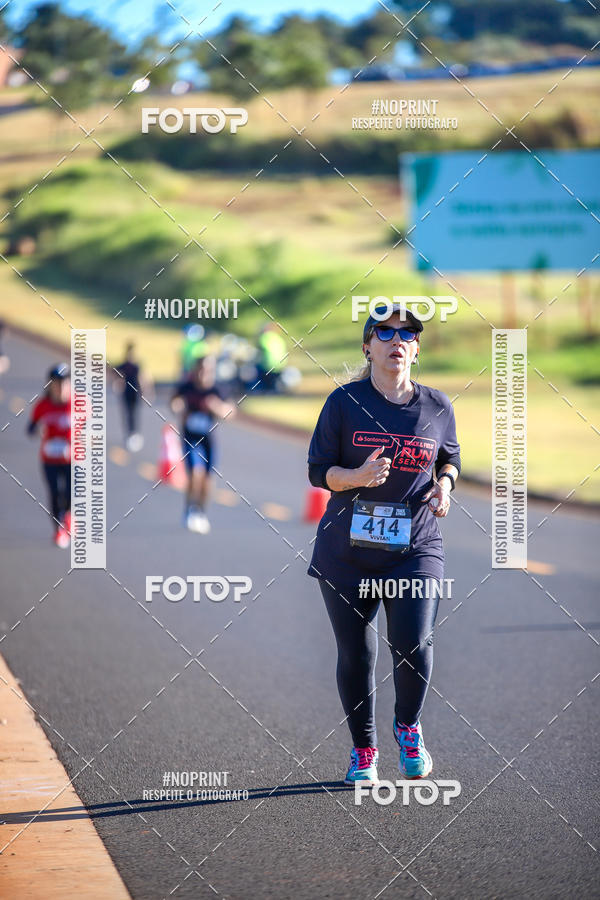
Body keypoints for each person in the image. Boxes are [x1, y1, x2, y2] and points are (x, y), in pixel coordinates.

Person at [307, 304, 460, 786]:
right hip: (346, 555)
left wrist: (446, 486)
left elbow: (450, 458)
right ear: (368, 346)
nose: (397, 340)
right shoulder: (343, 402)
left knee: (414, 643)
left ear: (415, 349)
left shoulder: (437, 406)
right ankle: (364, 751)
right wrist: (357, 477)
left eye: (407, 334)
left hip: (415, 548)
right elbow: (318, 470)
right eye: (385, 332)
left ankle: (408, 728)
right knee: (357, 655)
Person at [171, 354, 235, 533]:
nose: (203, 374)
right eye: (200, 370)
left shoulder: (217, 389)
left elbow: (230, 412)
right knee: (195, 473)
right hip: (190, 438)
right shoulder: (187, 387)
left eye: (208, 371)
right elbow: (174, 401)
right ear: (195, 370)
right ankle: (189, 510)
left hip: (209, 439)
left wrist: (218, 408)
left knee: (208, 479)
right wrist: (178, 406)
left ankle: (201, 512)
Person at [27, 364, 72, 548]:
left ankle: (68, 516)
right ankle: (59, 530)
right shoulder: (42, 405)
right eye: (57, 383)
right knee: (54, 493)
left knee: (70, 493)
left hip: (73, 459)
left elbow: (94, 430)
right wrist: (38, 430)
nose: (61, 387)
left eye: (64, 383)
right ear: (50, 385)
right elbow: (30, 429)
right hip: (49, 459)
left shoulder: (79, 404)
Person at [113, 342, 151, 452]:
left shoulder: (137, 365)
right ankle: (129, 433)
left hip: (136, 392)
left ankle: (135, 433)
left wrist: (146, 390)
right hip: (126, 392)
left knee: (135, 413)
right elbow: (115, 374)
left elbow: (143, 377)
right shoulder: (123, 365)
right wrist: (118, 383)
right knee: (127, 413)